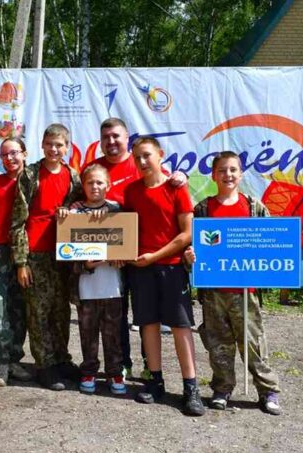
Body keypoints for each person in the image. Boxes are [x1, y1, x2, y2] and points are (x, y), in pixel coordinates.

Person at [85, 118, 186, 379]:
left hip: (143, 253)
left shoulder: (140, 162)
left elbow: (166, 183)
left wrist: (181, 176)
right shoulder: (94, 168)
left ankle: (149, 365)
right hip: (111, 252)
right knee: (117, 313)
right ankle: (123, 362)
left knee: (146, 314)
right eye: (105, 137)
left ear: (127, 138)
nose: (111, 141)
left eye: (116, 136)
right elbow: (80, 201)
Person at [188, 151, 281, 415]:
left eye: (232, 170)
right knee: (218, 344)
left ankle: (268, 390)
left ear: (240, 174)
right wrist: (191, 256)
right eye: (222, 170)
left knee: (253, 343)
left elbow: (271, 243)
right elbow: (193, 246)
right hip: (214, 292)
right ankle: (222, 388)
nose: (227, 175)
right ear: (213, 175)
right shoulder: (202, 210)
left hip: (246, 291)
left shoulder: (254, 208)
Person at [124, 136, 204, 416]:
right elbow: (125, 229)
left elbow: (187, 234)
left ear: (160, 154)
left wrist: (154, 256)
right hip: (140, 269)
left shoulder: (176, 188)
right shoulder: (131, 191)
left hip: (171, 267)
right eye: (137, 157)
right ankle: (155, 381)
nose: (142, 161)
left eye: (147, 155)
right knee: (148, 324)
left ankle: (191, 388)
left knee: (181, 326)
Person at [11, 123, 82, 391]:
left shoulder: (73, 176)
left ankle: (62, 358)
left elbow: (80, 209)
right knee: (38, 311)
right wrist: (21, 262)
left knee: (61, 310)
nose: (54, 149)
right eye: (50, 144)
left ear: (67, 148)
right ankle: (44, 364)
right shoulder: (30, 175)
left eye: (59, 145)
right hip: (35, 254)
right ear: (42, 145)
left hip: (64, 254)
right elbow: (17, 221)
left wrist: (71, 209)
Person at [70, 164, 125, 395]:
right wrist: (84, 264)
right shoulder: (74, 213)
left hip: (112, 284)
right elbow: (67, 250)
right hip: (86, 285)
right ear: (83, 186)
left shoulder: (117, 210)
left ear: (108, 185)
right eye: (90, 182)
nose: (95, 186)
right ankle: (89, 370)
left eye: (100, 182)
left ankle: (115, 372)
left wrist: (122, 257)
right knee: (88, 331)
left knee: (113, 332)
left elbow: (127, 242)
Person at [0, 137, 31, 387]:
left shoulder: (32, 181)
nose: (9, 158)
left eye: (14, 153)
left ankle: (14, 359)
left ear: (24, 153)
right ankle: (0, 360)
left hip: (25, 252)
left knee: (20, 308)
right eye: (4, 155)